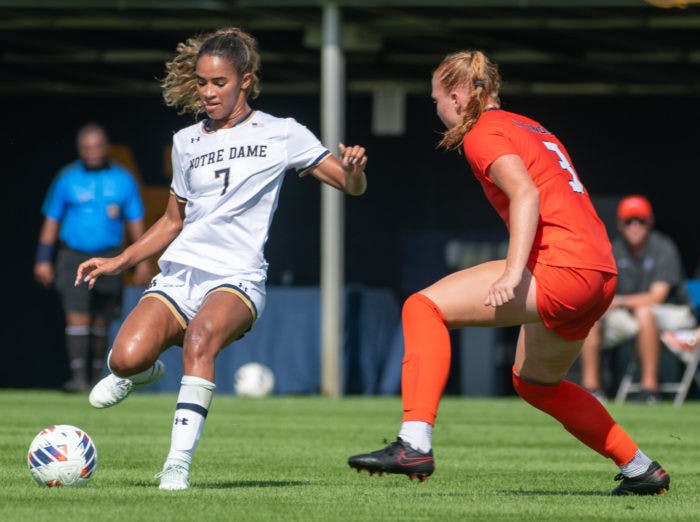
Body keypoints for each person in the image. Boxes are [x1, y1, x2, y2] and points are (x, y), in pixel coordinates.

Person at [347, 50, 669, 496]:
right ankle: (640, 468)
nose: (437, 109)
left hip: (563, 265)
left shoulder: (482, 131)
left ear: (458, 97)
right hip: (600, 272)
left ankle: (414, 442)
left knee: (422, 308)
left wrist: (514, 272)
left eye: (436, 99)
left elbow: (526, 194)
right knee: (535, 383)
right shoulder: (528, 124)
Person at [74, 27, 367, 491]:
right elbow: (172, 222)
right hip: (181, 275)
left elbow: (350, 187)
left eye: (219, 83)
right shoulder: (186, 141)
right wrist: (120, 259)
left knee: (201, 341)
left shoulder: (281, 132)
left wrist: (352, 173)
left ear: (245, 80)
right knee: (125, 359)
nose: (208, 92)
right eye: (203, 83)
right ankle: (144, 371)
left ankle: (176, 465)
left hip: (238, 277)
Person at [34, 123, 152, 393]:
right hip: (73, 255)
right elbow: (51, 220)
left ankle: (97, 377)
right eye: (87, 148)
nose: (93, 152)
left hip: (109, 257)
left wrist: (143, 260)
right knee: (77, 317)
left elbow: (135, 222)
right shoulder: (67, 178)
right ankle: (78, 379)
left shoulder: (123, 179)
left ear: (106, 147)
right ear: (80, 150)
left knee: (101, 320)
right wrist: (43, 258)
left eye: (98, 146)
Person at [579, 195, 696, 404]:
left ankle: (649, 389)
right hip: (629, 316)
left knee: (645, 312)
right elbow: (601, 290)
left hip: (672, 315)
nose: (635, 226)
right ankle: (591, 390)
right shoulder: (613, 250)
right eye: (629, 221)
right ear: (620, 224)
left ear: (650, 222)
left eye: (640, 221)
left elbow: (656, 298)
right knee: (592, 316)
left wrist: (620, 301)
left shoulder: (663, 247)